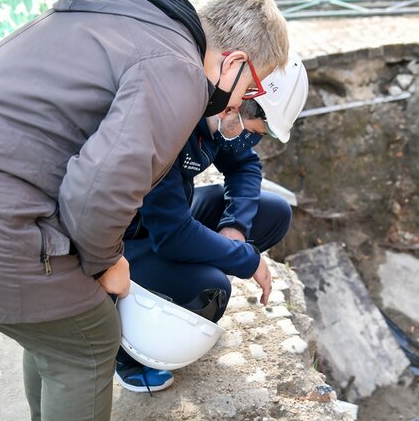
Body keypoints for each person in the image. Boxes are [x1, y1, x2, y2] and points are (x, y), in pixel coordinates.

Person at [0, 0, 289, 421]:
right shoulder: (178, 69)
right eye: (251, 88)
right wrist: (106, 263)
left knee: (54, 334)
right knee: (86, 343)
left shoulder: (126, 15)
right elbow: (97, 190)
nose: (240, 102)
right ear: (235, 62)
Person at [114, 53, 309, 393]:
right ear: (234, 107)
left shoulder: (225, 122)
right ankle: (127, 350)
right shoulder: (173, 127)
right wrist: (244, 257)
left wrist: (234, 227)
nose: (253, 142)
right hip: (128, 237)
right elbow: (173, 236)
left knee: (274, 212)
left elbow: (245, 167)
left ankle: (181, 274)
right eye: (255, 132)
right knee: (212, 288)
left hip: (170, 218)